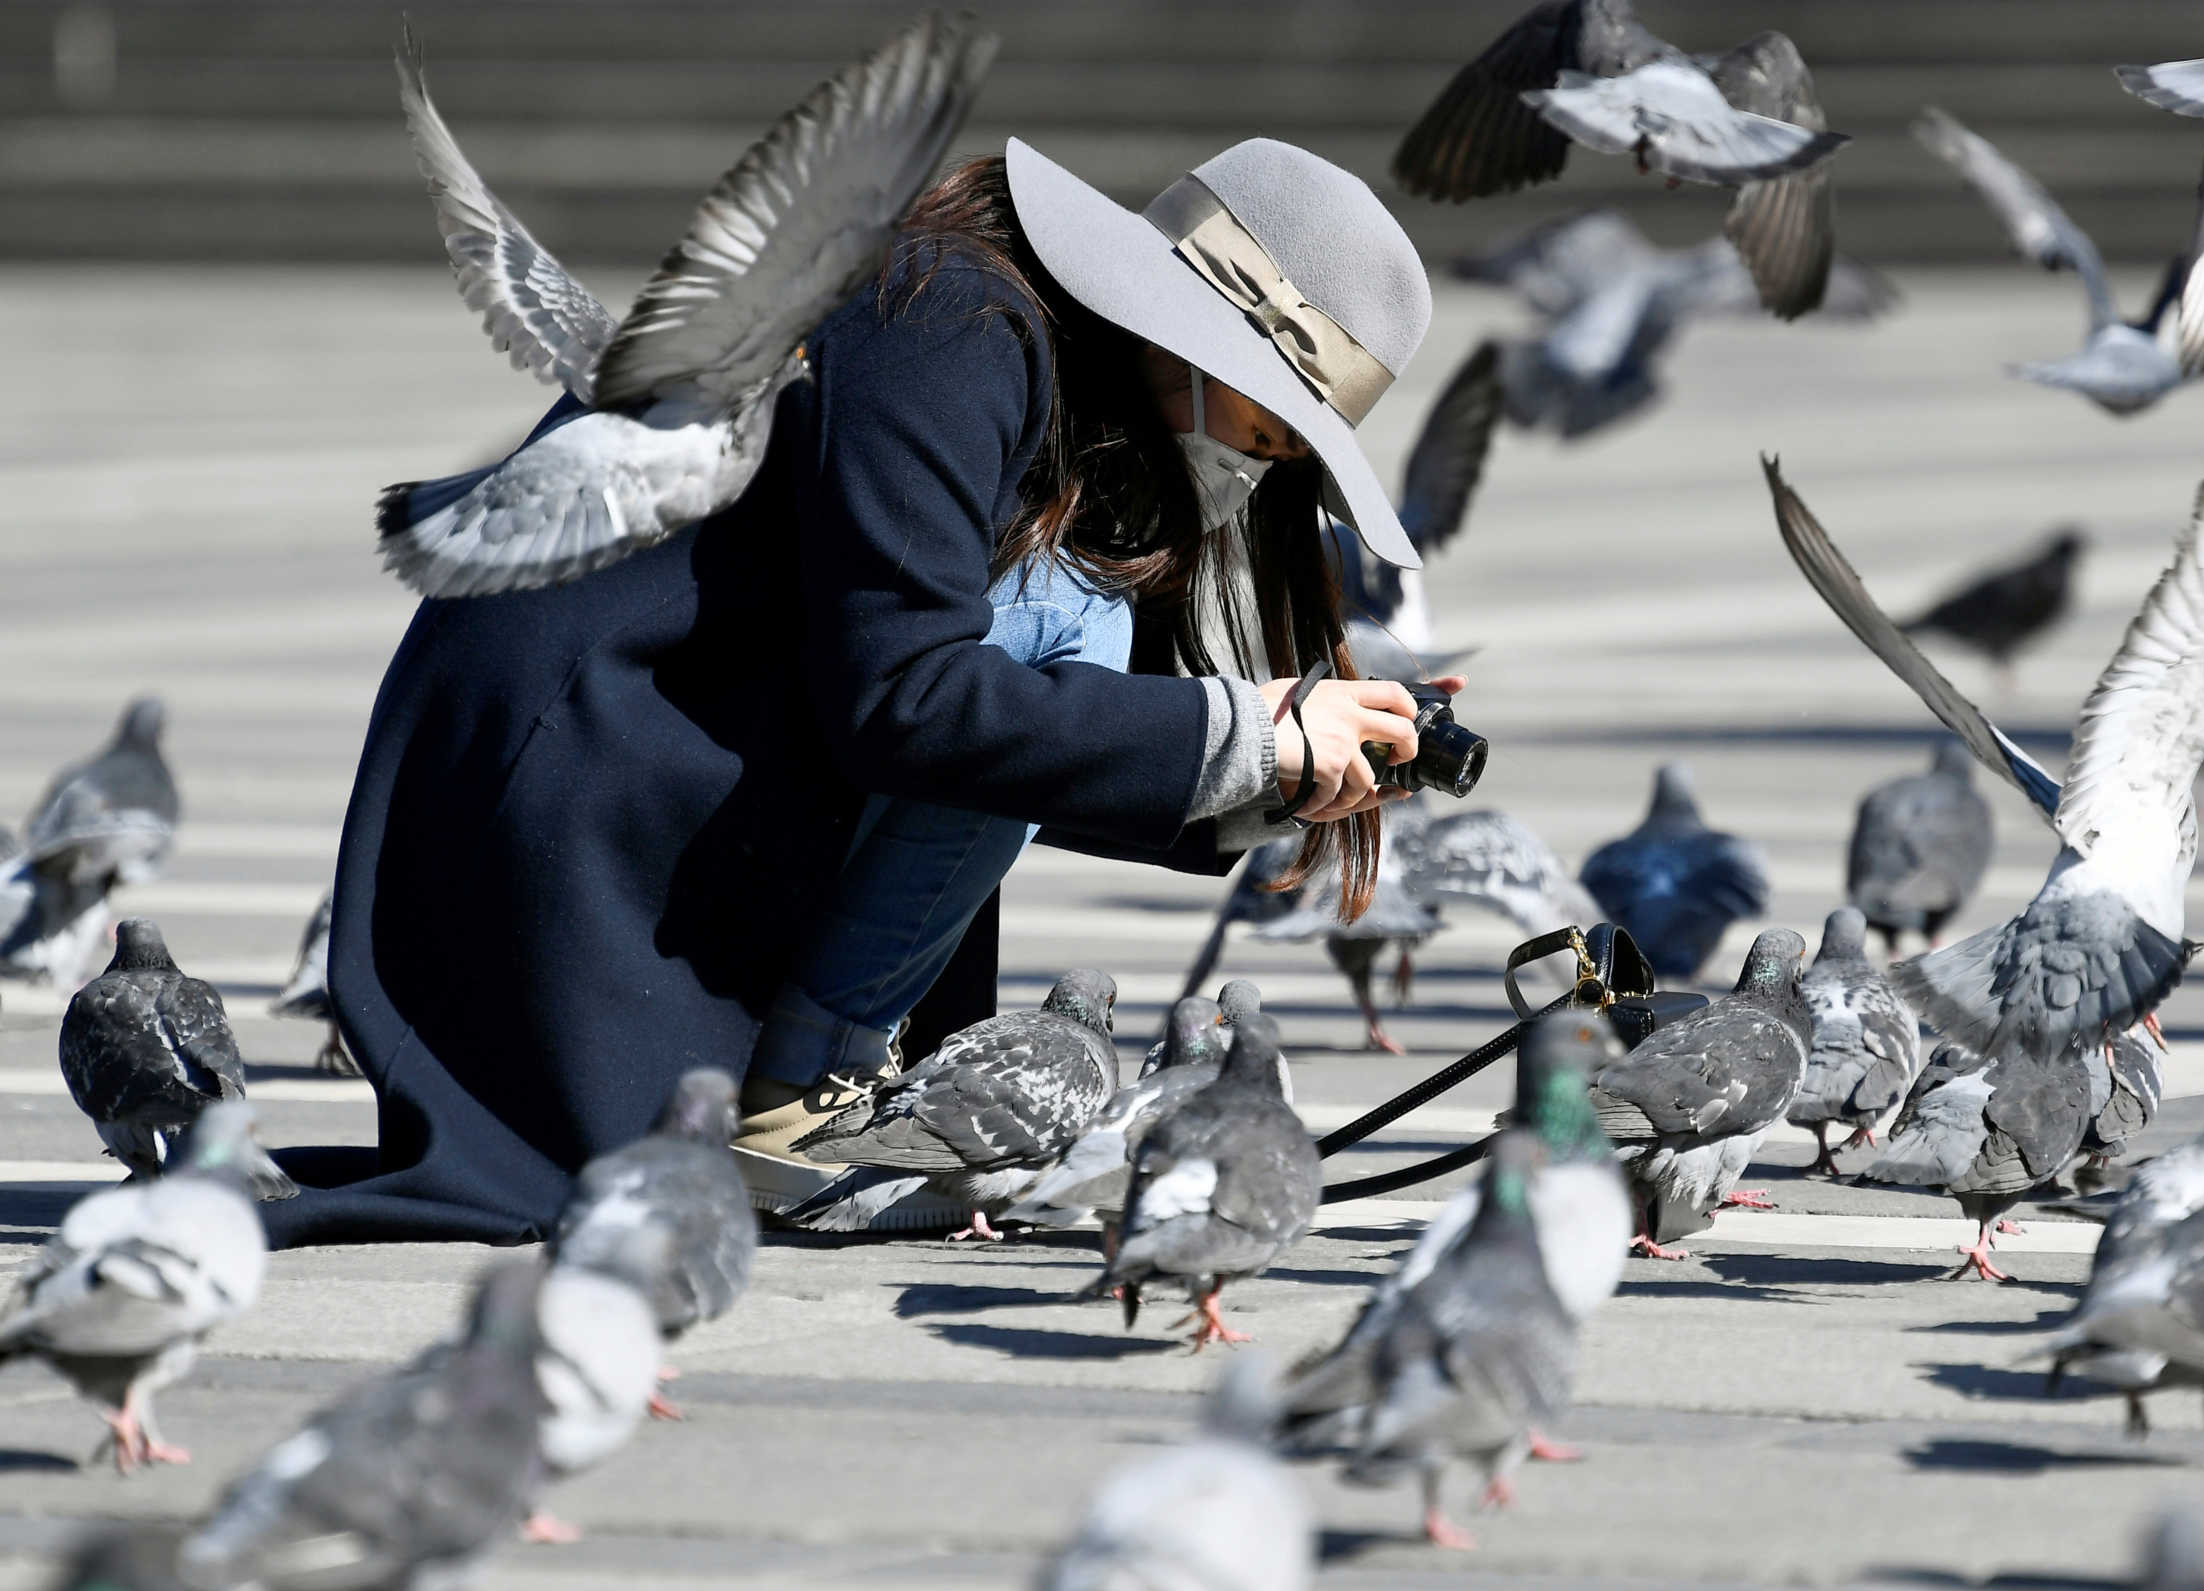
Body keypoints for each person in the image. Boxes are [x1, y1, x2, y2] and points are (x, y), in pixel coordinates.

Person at [273, 135, 1450, 1245]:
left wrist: (1271, 772)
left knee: (1063, 617)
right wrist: (1244, 734)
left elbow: (988, 734)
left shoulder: (1031, 360)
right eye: (1275, 426)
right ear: (1200, 337)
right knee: (1065, 612)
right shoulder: (948, 320)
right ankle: (801, 1088)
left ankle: (818, 1068)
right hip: (574, 777)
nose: (1260, 463)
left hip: (686, 744)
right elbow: (915, 701)